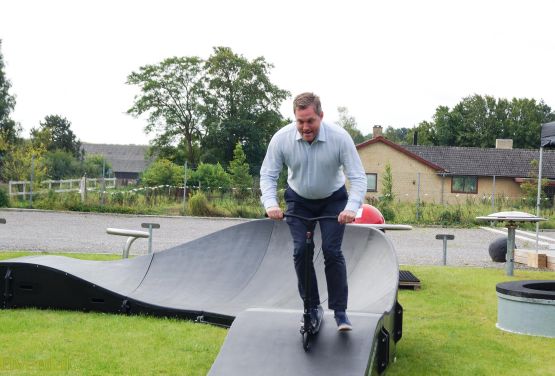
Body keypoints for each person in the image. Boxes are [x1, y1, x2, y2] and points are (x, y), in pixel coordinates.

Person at [260, 92, 367, 331]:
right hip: (298, 200)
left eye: (310, 121)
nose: (305, 127)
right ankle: (311, 309)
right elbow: (268, 174)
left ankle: (340, 312)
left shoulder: (340, 138)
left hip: (333, 200)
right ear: (294, 119)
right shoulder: (282, 139)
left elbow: (358, 178)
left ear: (321, 116)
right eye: (300, 121)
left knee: (331, 251)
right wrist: (270, 204)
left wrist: (351, 208)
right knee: (301, 252)